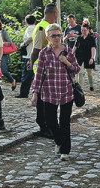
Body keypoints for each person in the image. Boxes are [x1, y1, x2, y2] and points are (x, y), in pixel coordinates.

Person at [31, 23, 79, 160]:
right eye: (54, 36)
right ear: (48, 37)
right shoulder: (44, 53)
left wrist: (67, 62)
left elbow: (76, 69)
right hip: (49, 91)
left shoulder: (68, 52)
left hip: (66, 91)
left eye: (59, 35)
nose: (57, 38)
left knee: (65, 122)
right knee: (50, 120)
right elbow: (39, 74)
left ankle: (65, 150)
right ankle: (58, 141)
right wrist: (35, 93)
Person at [30, 4, 60, 135]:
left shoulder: (46, 26)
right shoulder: (43, 27)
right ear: (55, 13)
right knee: (43, 98)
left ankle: (47, 123)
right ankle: (44, 125)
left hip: (49, 66)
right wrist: (31, 63)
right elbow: (36, 49)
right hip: (42, 67)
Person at [17, 13, 39, 98]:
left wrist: (23, 44)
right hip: (33, 54)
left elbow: (31, 38)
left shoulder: (30, 29)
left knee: (26, 75)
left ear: (26, 21)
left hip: (29, 54)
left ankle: (24, 93)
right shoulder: (36, 28)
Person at [0, 18, 17, 93]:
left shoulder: (3, 32)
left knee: (3, 70)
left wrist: (1, 43)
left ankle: (12, 80)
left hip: (3, 53)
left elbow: (10, 43)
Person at [74, 23, 97, 91]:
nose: (83, 32)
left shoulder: (91, 38)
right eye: (82, 30)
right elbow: (75, 47)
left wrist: (92, 58)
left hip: (88, 57)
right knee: (80, 72)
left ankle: (91, 85)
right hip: (80, 57)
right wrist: (71, 53)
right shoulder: (79, 38)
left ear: (88, 30)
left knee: (89, 73)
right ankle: (81, 88)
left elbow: (93, 48)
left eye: (85, 30)